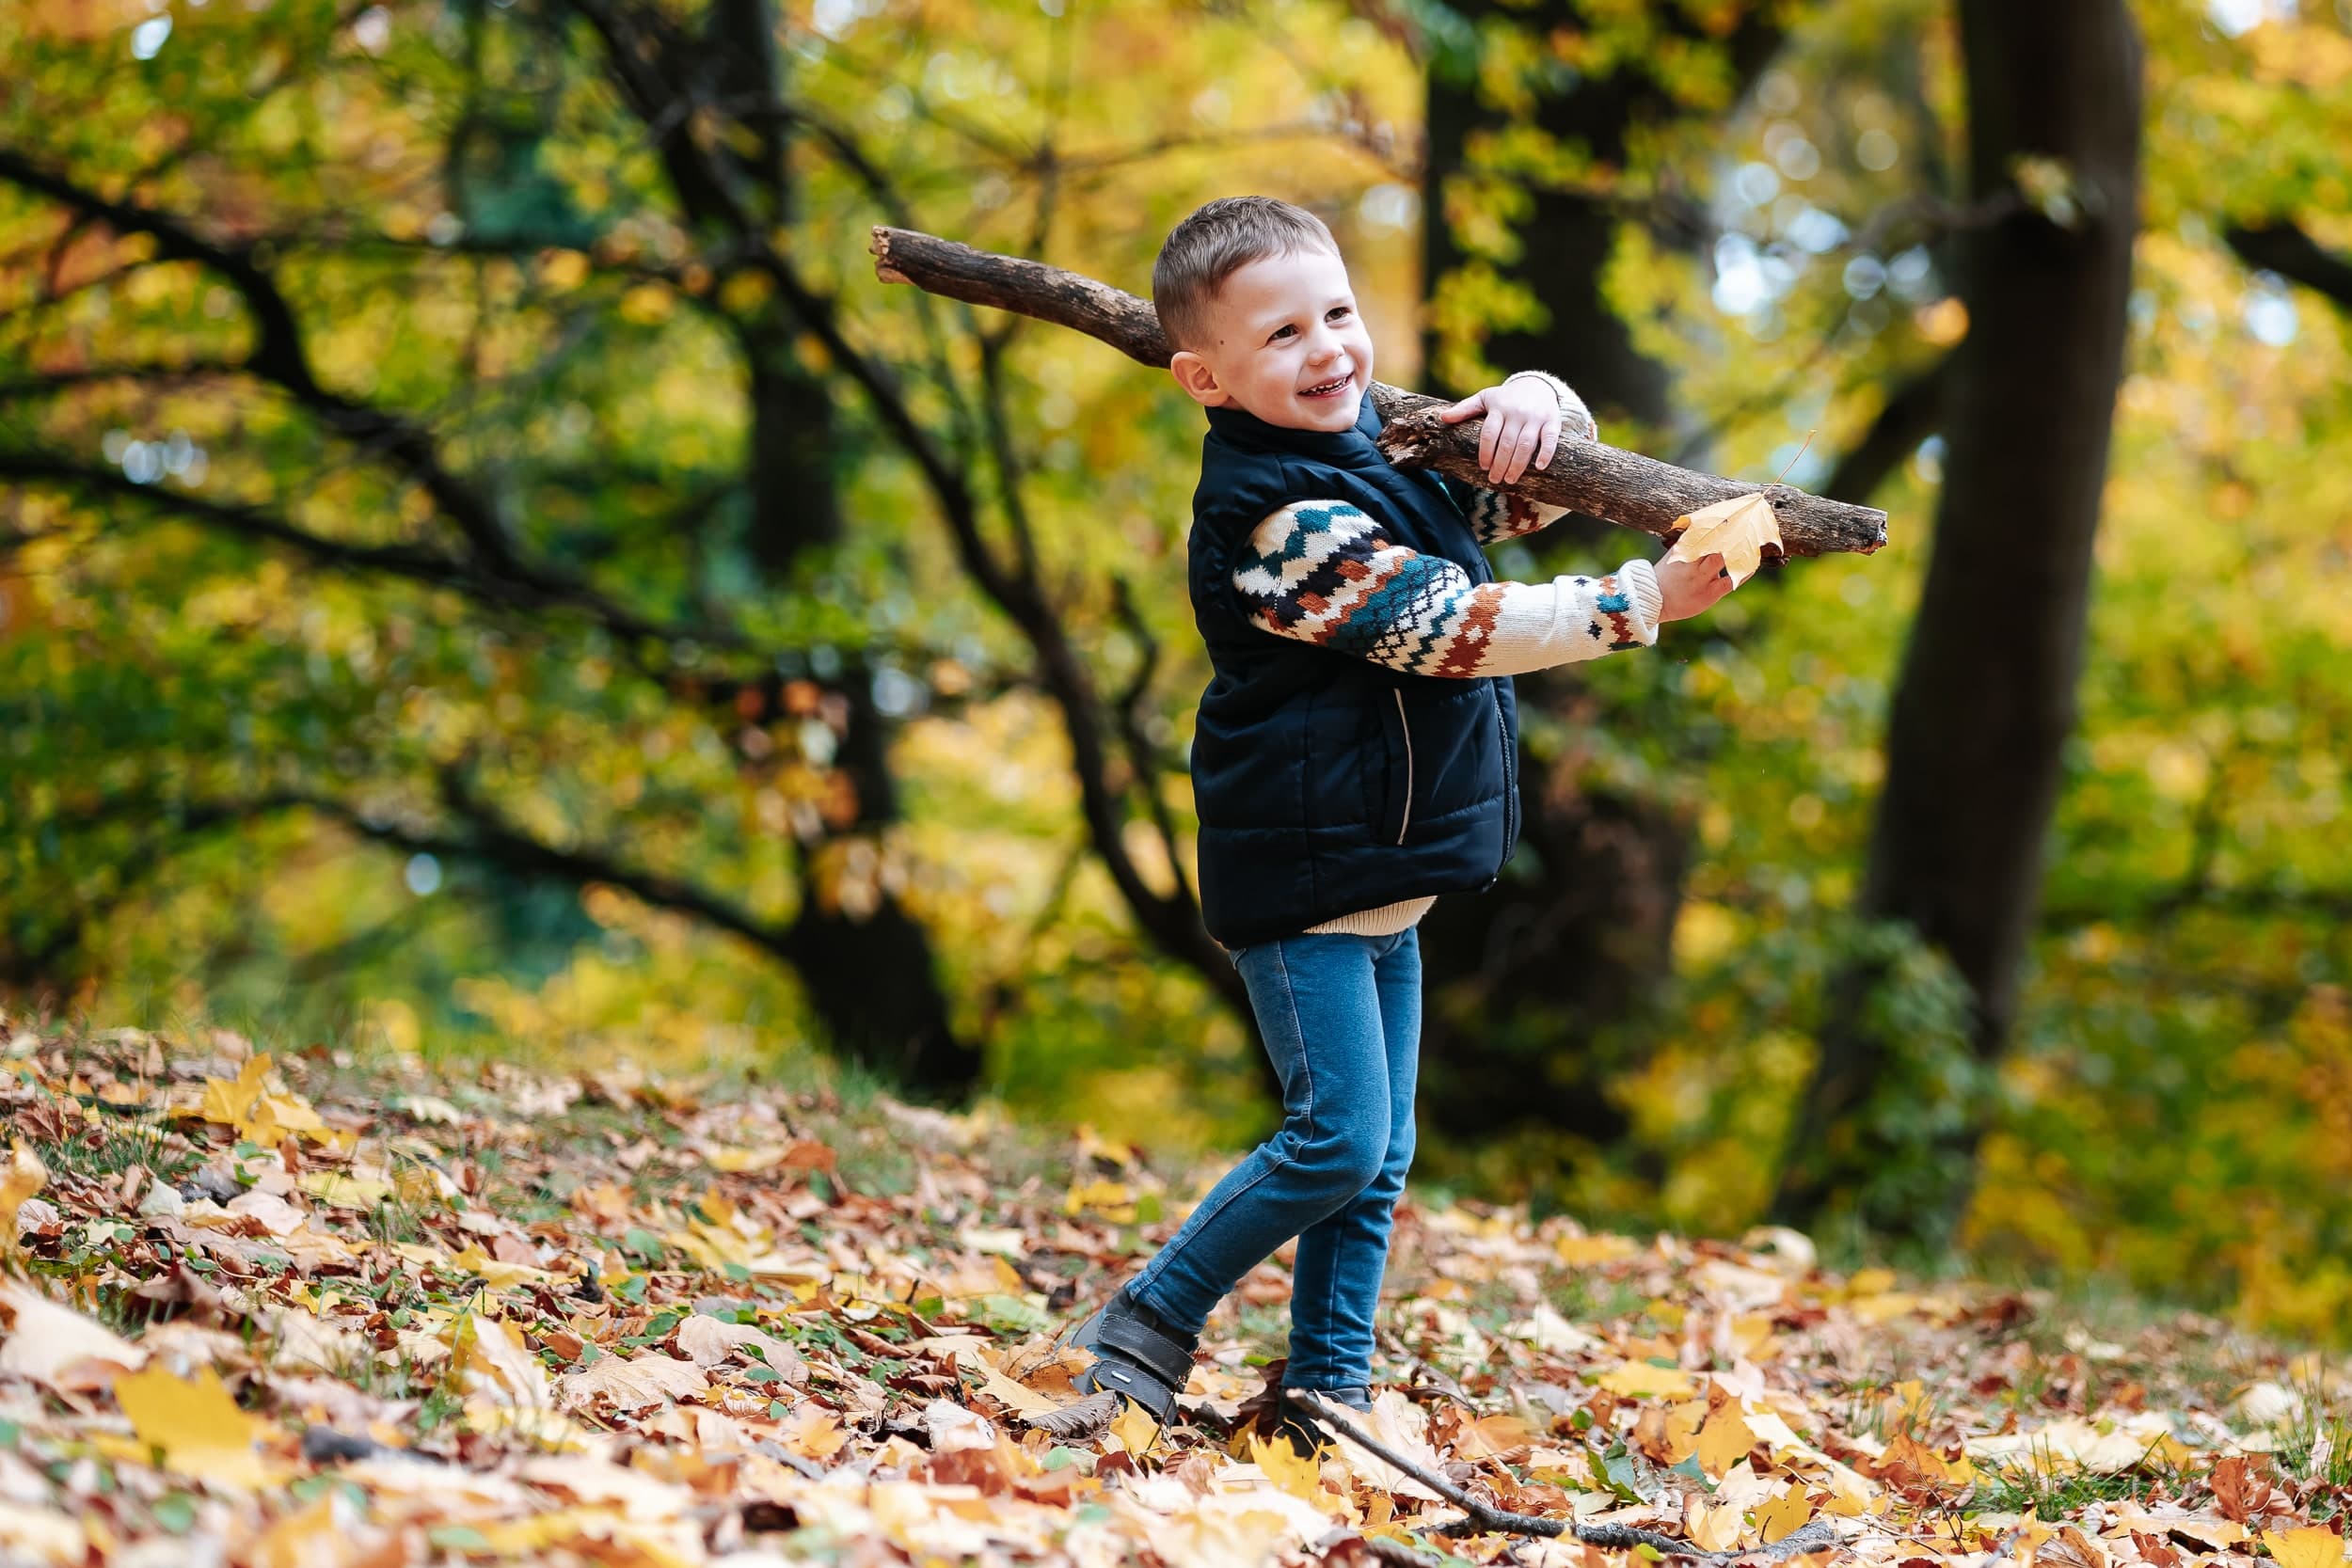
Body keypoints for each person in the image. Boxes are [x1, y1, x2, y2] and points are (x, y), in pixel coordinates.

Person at [1059, 196, 1737, 1454]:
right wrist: (1645, 600)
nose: (1328, 351)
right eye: (1282, 337)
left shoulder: (1385, 449)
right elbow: (1453, 628)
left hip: (1388, 868)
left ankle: (1328, 1396)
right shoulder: (1276, 517)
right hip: (1308, 873)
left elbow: (1532, 499)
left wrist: (1541, 401)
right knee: (1335, 1142)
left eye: (1338, 314)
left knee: (1377, 1161)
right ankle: (1145, 1326)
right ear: (1205, 379)